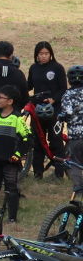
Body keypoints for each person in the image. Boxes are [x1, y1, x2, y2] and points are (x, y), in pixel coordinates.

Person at [0, 86, 31, 226]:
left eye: (0, 97)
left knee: (11, 189)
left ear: (10, 101)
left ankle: (11, 219)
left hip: (10, 161)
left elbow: (27, 139)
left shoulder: (17, 118)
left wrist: (17, 154)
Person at [28, 41, 67, 178]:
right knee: (38, 140)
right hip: (38, 109)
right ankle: (38, 173)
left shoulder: (57, 67)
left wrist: (53, 99)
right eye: (41, 54)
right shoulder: (33, 68)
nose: (43, 56)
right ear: (36, 55)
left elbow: (63, 89)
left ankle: (59, 173)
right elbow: (29, 85)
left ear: (51, 54)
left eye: (46, 53)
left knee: (55, 140)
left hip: (54, 109)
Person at [58, 66, 83, 194]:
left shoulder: (68, 94)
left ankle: (78, 189)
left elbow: (68, 112)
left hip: (76, 136)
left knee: (76, 162)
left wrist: (60, 117)